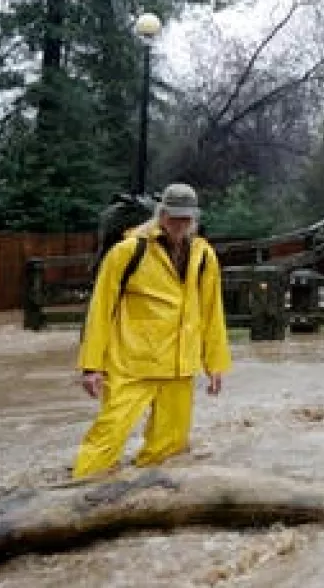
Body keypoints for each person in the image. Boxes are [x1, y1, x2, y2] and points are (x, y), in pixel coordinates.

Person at [73, 183, 231, 477]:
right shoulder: (128, 251)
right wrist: (91, 366)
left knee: (170, 447)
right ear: (162, 214)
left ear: (194, 218)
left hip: (180, 366)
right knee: (107, 437)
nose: (179, 225)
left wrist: (215, 364)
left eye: (186, 219)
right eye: (174, 218)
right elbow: (100, 310)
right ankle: (76, 494)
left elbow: (211, 312)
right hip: (132, 364)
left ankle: (151, 500)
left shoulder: (204, 256)